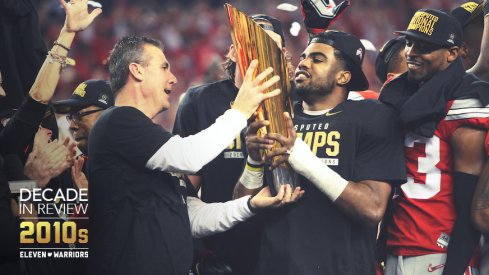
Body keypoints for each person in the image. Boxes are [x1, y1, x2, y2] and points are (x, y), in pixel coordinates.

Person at [87, 33, 289, 274]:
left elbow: (191, 216)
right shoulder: (117, 120)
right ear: (137, 71)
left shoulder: (150, 138)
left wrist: (250, 205)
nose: (173, 79)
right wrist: (240, 110)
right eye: (163, 67)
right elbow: (189, 157)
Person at [235, 30, 406, 274]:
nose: (303, 62)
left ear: (344, 76)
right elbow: (239, 211)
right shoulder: (275, 119)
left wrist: (301, 157)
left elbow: (372, 208)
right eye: (304, 56)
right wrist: (252, 161)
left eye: (317, 59)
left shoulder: (373, 117)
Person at [173, 14, 288, 274]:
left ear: (282, 55)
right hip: (220, 246)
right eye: (254, 45)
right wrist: (197, 249)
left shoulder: (295, 104)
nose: (263, 54)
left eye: (271, 47)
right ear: (234, 52)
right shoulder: (199, 101)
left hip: (279, 250)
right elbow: (185, 190)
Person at [378, 9, 489, 275]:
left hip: (439, 251)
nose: (411, 52)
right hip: (397, 245)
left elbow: (470, 211)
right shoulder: (398, 95)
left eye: (424, 46)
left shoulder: (466, 103)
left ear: (452, 53)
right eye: (409, 42)